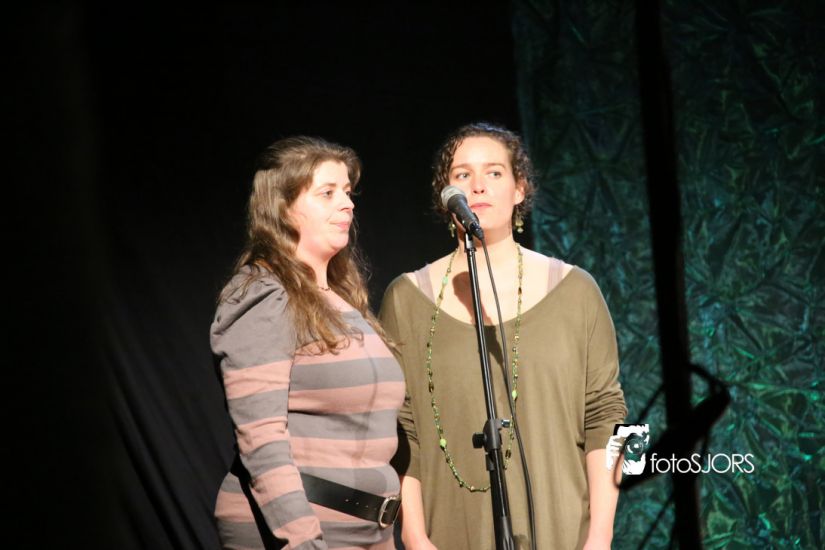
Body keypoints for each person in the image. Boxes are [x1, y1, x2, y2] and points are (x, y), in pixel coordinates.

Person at [379, 123, 627, 549]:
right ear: (444, 196)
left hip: (566, 535)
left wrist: (601, 536)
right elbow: (403, 429)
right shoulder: (407, 299)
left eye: (494, 172)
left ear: (519, 189)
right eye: (462, 174)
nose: (478, 185)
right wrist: (415, 535)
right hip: (451, 535)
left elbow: (608, 416)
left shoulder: (576, 290)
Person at [211, 136, 404, 549]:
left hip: (369, 531)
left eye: (348, 192)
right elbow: (261, 439)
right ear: (283, 208)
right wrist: (302, 539)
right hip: (304, 530)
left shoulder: (341, 300)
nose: (347, 204)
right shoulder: (263, 295)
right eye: (327, 193)